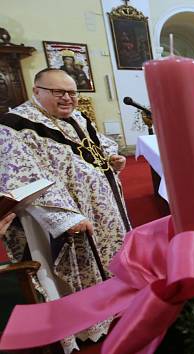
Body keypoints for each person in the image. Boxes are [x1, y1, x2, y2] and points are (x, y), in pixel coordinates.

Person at [0, 68, 131, 351]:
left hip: (101, 208)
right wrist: (65, 217)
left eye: (72, 92)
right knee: (77, 267)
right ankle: (86, 324)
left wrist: (111, 157)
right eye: (59, 92)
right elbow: (24, 177)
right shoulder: (15, 126)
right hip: (63, 218)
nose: (68, 98)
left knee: (113, 256)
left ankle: (115, 307)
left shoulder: (77, 117)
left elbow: (95, 146)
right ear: (37, 91)